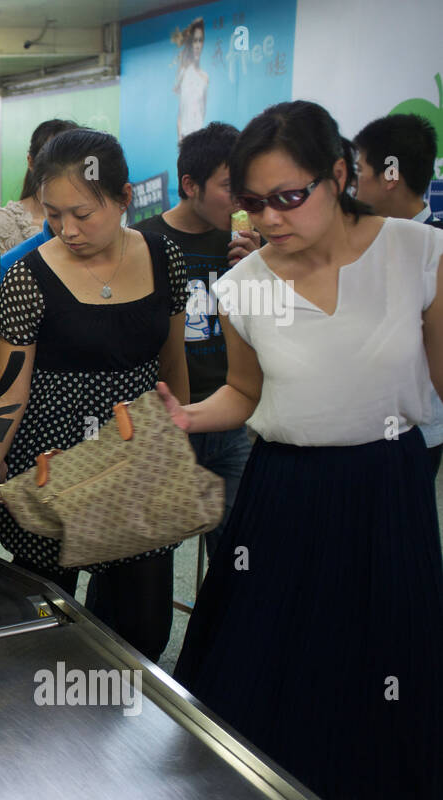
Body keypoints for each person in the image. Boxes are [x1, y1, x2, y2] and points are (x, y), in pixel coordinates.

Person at [164, 100, 443, 800]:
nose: (269, 218)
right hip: (285, 494)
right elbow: (246, 393)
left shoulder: (418, 254)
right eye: (252, 202)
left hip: (389, 488)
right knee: (278, 666)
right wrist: (187, 417)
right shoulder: (243, 284)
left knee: (386, 660)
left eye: (289, 196)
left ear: (342, 174)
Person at [0, 129, 190, 661]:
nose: (67, 230)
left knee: (140, 632)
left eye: (82, 213)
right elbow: (9, 394)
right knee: (45, 631)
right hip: (51, 464)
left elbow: (172, 363)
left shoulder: (164, 257)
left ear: (123, 197)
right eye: (53, 214)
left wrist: (179, 443)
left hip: (136, 465)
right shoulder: (28, 277)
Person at [135, 122, 260, 559]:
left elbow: (266, 328)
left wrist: (260, 268)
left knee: (238, 549)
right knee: (148, 554)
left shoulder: (250, 246)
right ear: (190, 184)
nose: (242, 200)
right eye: (230, 187)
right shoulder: (144, 242)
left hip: (228, 418)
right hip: (164, 420)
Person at [353, 113, 443, 476]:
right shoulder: (356, 242)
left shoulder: (436, 251)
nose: (352, 183)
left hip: (418, 432)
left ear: (391, 175)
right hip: (358, 427)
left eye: (359, 170)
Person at [0, 119, 79, 253]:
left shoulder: (93, 221)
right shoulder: (4, 223)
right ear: (31, 162)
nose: (64, 170)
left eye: (72, 160)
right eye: (54, 161)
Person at [173, 17, 208, 143]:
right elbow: (181, 112)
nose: (198, 45)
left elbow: (203, 112)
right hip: (185, 139)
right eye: (195, 41)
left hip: (200, 141)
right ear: (190, 43)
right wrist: (180, 139)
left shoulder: (204, 77)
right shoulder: (184, 73)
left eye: (200, 40)